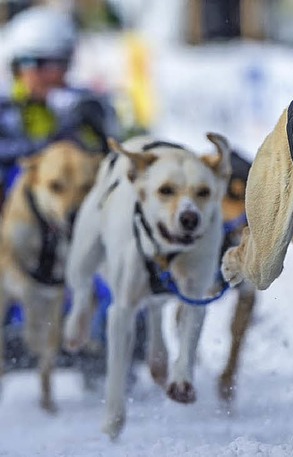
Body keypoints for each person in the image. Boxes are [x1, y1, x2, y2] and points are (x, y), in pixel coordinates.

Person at [0, 6, 122, 383]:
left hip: (75, 215)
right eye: (33, 63)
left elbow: (115, 153)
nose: (43, 73)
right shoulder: (6, 110)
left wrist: (91, 127)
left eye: (53, 62)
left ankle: (103, 337)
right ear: (18, 66)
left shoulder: (87, 104)